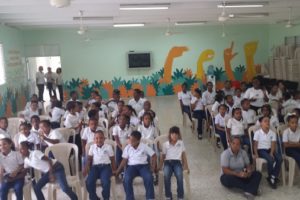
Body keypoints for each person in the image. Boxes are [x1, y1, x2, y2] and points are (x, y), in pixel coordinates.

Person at [115, 131, 156, 200]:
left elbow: (154, 155)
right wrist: (117, 171)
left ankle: (150, 197)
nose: (131, 142)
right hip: (132, 167)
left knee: (149, 177)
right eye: (130, 139)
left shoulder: (144, 146)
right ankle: (130, 198)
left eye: (133, 140)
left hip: (143, 166)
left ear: (138, 140)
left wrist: (152, 167)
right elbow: (124, 160)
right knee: (126, 179)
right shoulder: (128, 147)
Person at [83, 131, 116, 200]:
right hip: (95, 167)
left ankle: (105, 197)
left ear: (104, 139)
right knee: (89, 182)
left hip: (105, 167)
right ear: (94, 140)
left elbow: (112, 159)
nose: (99, 140)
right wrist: (87, 168)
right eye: (96, 138)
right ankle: (94, 198)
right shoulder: (92, 147)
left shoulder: (108, 147)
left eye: (101, 138)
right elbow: (89, 159)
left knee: (106, 182)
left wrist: (114, 170)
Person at [159, 126, 189, 200]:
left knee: (179, 176)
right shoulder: (165, 144)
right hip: (167, 163)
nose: (174, 135)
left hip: (177, 162)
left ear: (178, 135)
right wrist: (160, 166)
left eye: (176, 134)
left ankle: (180, 196)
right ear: (170, 135)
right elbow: (163, 156)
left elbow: (183, 155)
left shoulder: (181, 143)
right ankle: (168, 196)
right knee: (166, 176)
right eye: (172, 134)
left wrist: (186, 166)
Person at [253, 116, 282, 189]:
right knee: (270, 159)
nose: (267, 123)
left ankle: (272, 176)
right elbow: (255, 144)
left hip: (270, 149)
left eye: (268, 121)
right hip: (261, 150)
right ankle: (272, 177)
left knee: (279, 158)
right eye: (265, 121)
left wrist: (272, 152)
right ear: (261, 123)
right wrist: (256, 154)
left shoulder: (272, 132)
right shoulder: (257, 133)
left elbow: (273, 144)